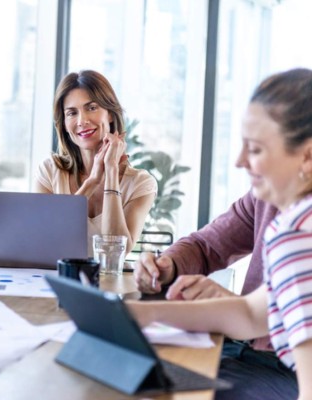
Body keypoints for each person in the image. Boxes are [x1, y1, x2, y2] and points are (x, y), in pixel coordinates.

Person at [129, 68, 312, 400]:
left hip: (277, 374)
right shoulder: (289, 221)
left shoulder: (297, 237)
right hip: (244, 352)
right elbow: (253, 313)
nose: (240, 161)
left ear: (307, 156)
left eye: (255, 149)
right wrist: (143, 314)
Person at [34, 70, 157, 253]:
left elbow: (115, 251)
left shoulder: (140, 183)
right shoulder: (50, 171)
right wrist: (91, 182)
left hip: (110, 282)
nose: (82, 121)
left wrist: (111, 171)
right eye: (72, 113)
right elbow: (47, 242)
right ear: (64, 124)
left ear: (110, 114)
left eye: (91, 108)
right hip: (56, 280)